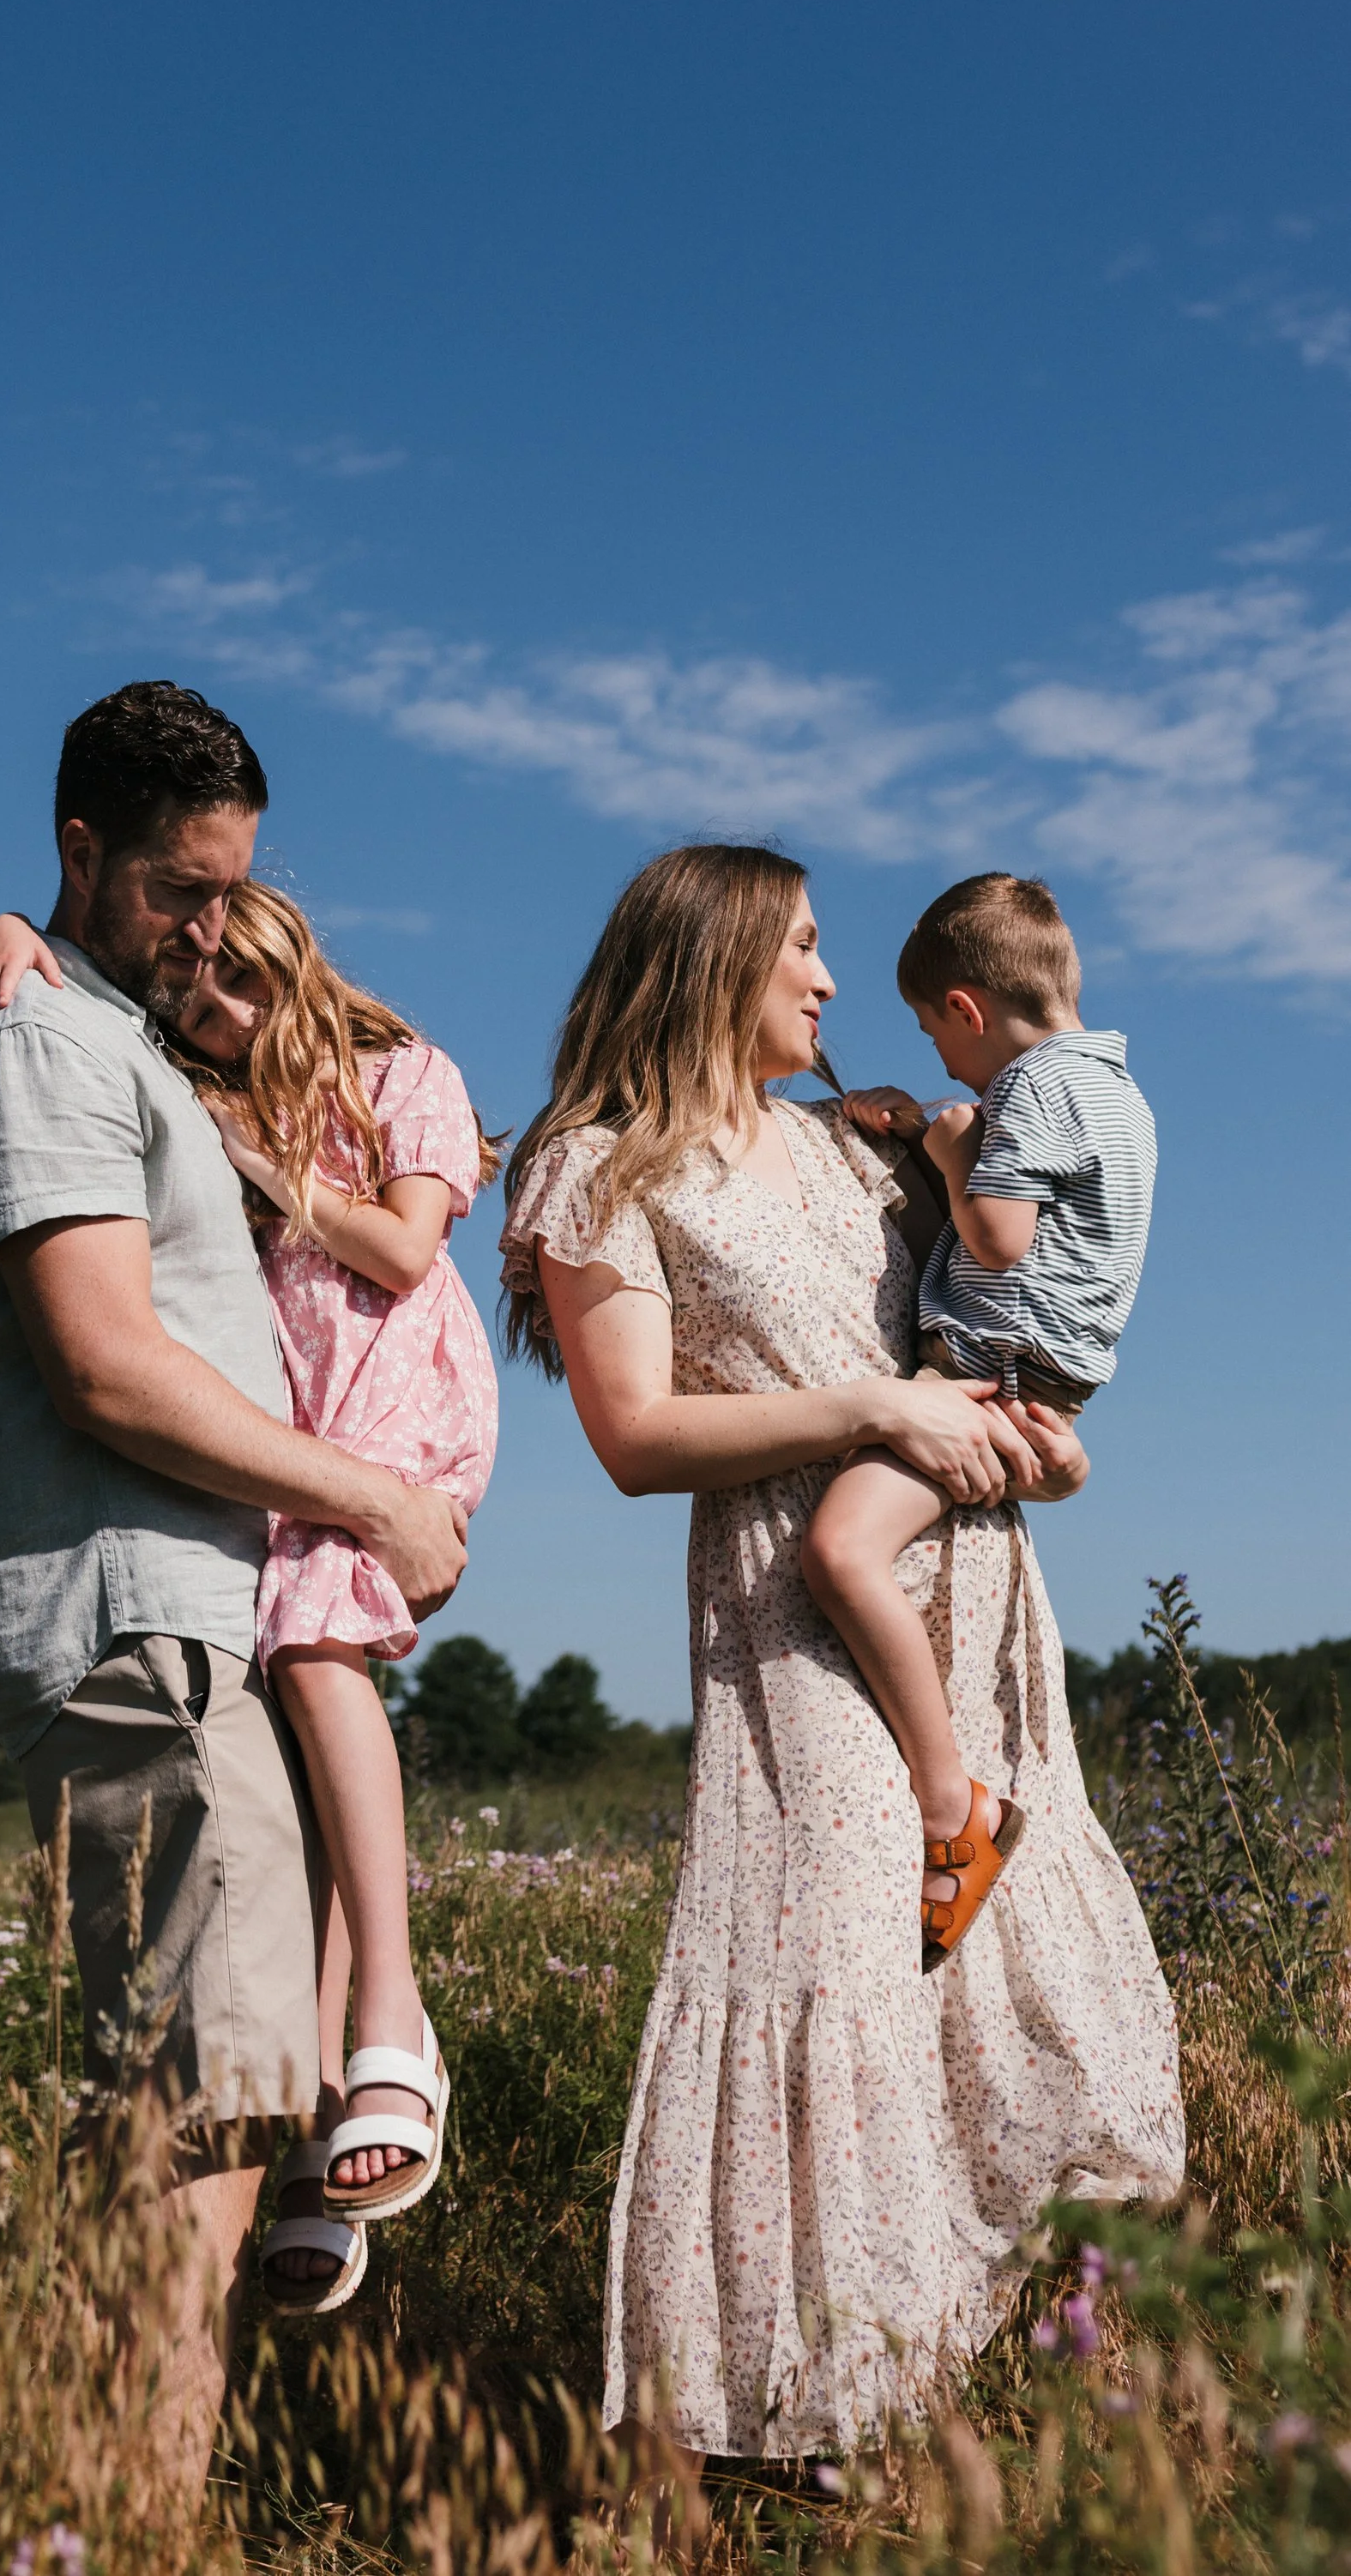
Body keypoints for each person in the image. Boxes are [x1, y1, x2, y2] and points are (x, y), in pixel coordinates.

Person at [498, 843, 1180, 2463]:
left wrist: (1031, 1433)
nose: (823, 974)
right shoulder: (601, 1172)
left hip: (969, 1581)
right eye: (800, 946)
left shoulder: (856, 1152)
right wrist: (877, 1410)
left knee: (1016, 1978)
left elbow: (994, 1309)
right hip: (795, 1609)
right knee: (839, 1969)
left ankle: (1003, 2371)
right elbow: (638, 1433)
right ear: (714, 960)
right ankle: (811, 2413)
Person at [0, 683, 468, 2513]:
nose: (206, 929)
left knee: (213, 2091)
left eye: (228, 891)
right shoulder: (51, 1056)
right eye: (172, 890)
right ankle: (131, 2513)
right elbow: (105, 1370)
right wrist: (371, 1497)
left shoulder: (122, 1038)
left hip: (206, 1628)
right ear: (80, 853)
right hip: (141, 1629)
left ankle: (99, 2487)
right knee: (204, 2105)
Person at [0, 879, 498, 2311]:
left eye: (244, 993)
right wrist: (13, 933)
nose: (221, 1021)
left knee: (320, 1660)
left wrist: (250, 1156)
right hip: (305, 1426)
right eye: (198, 1010)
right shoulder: (217, 1097)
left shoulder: (403, 1074)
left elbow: (398, 1249)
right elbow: (88, 978)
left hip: (393, 1412)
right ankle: (334, 2117)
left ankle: (393, 2024)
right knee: (300, 1766)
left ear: (299, 974)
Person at [802, 874, 1157, 1965]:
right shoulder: (1112, 1092)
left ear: (966, 1009)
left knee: (839, 1550)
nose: (944, 1062)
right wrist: (927, 1135)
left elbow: (998, 1238)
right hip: (1044, 1374)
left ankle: (953, 1805)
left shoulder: (1037, 1094)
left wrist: (955, 1154)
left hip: (987, 1368)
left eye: (932, 1032)